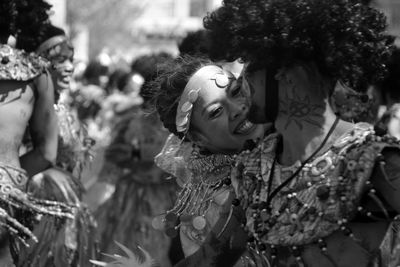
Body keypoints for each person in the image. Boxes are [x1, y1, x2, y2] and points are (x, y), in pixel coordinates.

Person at [203, 0, 400, 266]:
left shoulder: (377, 162)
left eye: (249, 64)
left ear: (287, 69)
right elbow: (209, 259)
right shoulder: (251, 170)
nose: (240, 81)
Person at [17, 23, 98, 267]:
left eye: (70, 59)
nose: (69, 67)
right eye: (59, 60)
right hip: (35, 214)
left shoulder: (62, 107)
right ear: (37, 62)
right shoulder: (24, 110)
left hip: (68, 218)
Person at [0, 1, 74, 265]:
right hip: (6, 199)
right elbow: (46, 153)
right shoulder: (34, 73)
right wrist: (9, 179)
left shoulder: (34, 71)